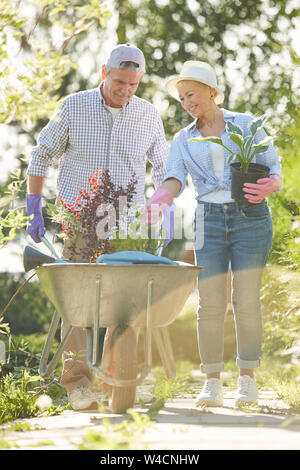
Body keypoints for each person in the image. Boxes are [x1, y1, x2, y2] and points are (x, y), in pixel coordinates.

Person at [26, 44, 169, 410]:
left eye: (133, 84)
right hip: (80, 221)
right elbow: (41, 154)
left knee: (128, 306)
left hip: (127, 223)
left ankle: (121, 379)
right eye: (120, 81)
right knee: (80, 305)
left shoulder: (148, 115)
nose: (125, 90)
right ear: (104, 72)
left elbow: (163, 168)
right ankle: (78, 385)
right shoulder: (74, 106)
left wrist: (165, 206)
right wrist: (34, 206)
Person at [145, 60, 282, 407]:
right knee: (210, 303)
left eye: (190, 94)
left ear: (211, 91)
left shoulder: (247, 124)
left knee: (246, 300)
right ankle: (212, 382)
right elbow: (174, 177)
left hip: (251, 217)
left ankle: (247, 379)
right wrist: (162, 196)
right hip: (208, 220)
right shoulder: (183, 138)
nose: (186, 102)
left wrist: (271, 185)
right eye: (181, 98)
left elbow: (274, 167)